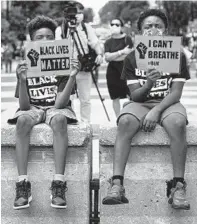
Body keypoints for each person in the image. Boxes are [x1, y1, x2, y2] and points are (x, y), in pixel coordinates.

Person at [102, 9, 191, 210]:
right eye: (148, 26)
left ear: (165, 30)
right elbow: (135, 96)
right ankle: (117, 183)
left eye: (158, 26)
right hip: (141, 102)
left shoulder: (177, 55)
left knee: (177, 124)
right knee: (124, 122)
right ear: (140, 32)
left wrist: (157, 111)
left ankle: (178, 185)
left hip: (168, 103)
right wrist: (149, 83)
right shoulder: (132, 57)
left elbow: (176, 93)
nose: (153, 30)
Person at [7, 15, 80, 210]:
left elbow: (60, 103)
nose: (46, 41)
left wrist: (72, 77)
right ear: (32, 41)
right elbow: (24, 106)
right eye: (40, 37)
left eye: (50, 36)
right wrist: (22, 80)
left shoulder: (63, 64)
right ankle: (22, 184)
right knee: (22, 121)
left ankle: (59, 183)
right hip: (33, 107)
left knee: (59, 120)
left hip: (56, 106)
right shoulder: (27, 64)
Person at [56, 1, 103, 123]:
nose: (77, 16)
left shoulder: (86, 28)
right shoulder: (60, 29)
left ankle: (85, 123)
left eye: (80, 13)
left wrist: (99, 54)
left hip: (83, 68)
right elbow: (57, 48)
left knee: (85, 99)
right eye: (74, 13)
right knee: (68, 98)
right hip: (66, 70)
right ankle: (70, 121)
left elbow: (95, 43)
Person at [104, 18, 133, 117]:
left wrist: (114, 55)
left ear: (121, 26)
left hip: (126, 68)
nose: (114, 26)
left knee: (130, 94)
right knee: (114, 96)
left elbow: (129, 53)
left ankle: (131, 115)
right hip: (112, 70)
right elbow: (107, 57)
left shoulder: (127, 39)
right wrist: (121, 52)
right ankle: (118, 118)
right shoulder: (108, 41)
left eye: (117, 24)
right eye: (112, 24)